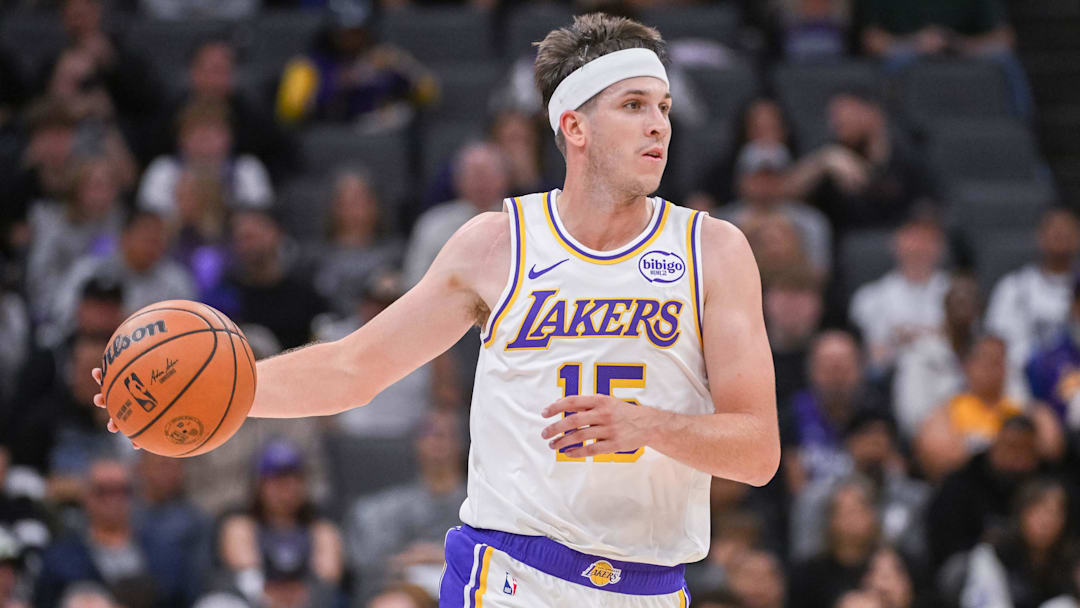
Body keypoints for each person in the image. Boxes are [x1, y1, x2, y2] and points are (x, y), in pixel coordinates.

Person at [97, 12, 779, 607]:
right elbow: (352, 369)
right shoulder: (497, 245)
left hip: (652, 586)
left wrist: (647, 425)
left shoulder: (711, 251)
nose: (659, 123)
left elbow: (757, 451)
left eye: (662, 105)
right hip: (512, 578)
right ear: (574, 126)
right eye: (634, 104)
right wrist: (224, 391)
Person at [347, 410, 468, 600]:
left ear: (461, 443)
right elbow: (375, 563)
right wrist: (411, 559)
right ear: (416, 443)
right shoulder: (390, 507)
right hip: (409, 593)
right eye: (429, 433)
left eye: (445, 434)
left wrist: (439, 556)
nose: (437, 441)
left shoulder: (479, 504)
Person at [217, 440, 344, 608]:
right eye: (276, 480)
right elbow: (247, 577)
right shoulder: (240, 526)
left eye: (292, 480)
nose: (285, 489)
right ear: (259, 486)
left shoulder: (322, 531)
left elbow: (326, 582)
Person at [849, 214, 950, 374]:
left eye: (927, 239)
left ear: (940, 247)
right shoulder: (870, 297)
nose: (918, 246)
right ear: (895, 242)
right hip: (887, 380)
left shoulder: (955, 294)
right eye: (911, 237)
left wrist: (905, 336)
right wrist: (928, 334)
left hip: (942, 376)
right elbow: (874, 352)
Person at [987, 208, 1080, 378]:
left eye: (1067, 230)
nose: (1060, 234)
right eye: (1054, 229)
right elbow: (995, 348)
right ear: (1040, 237)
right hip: (1021, 384)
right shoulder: (1013, 288)